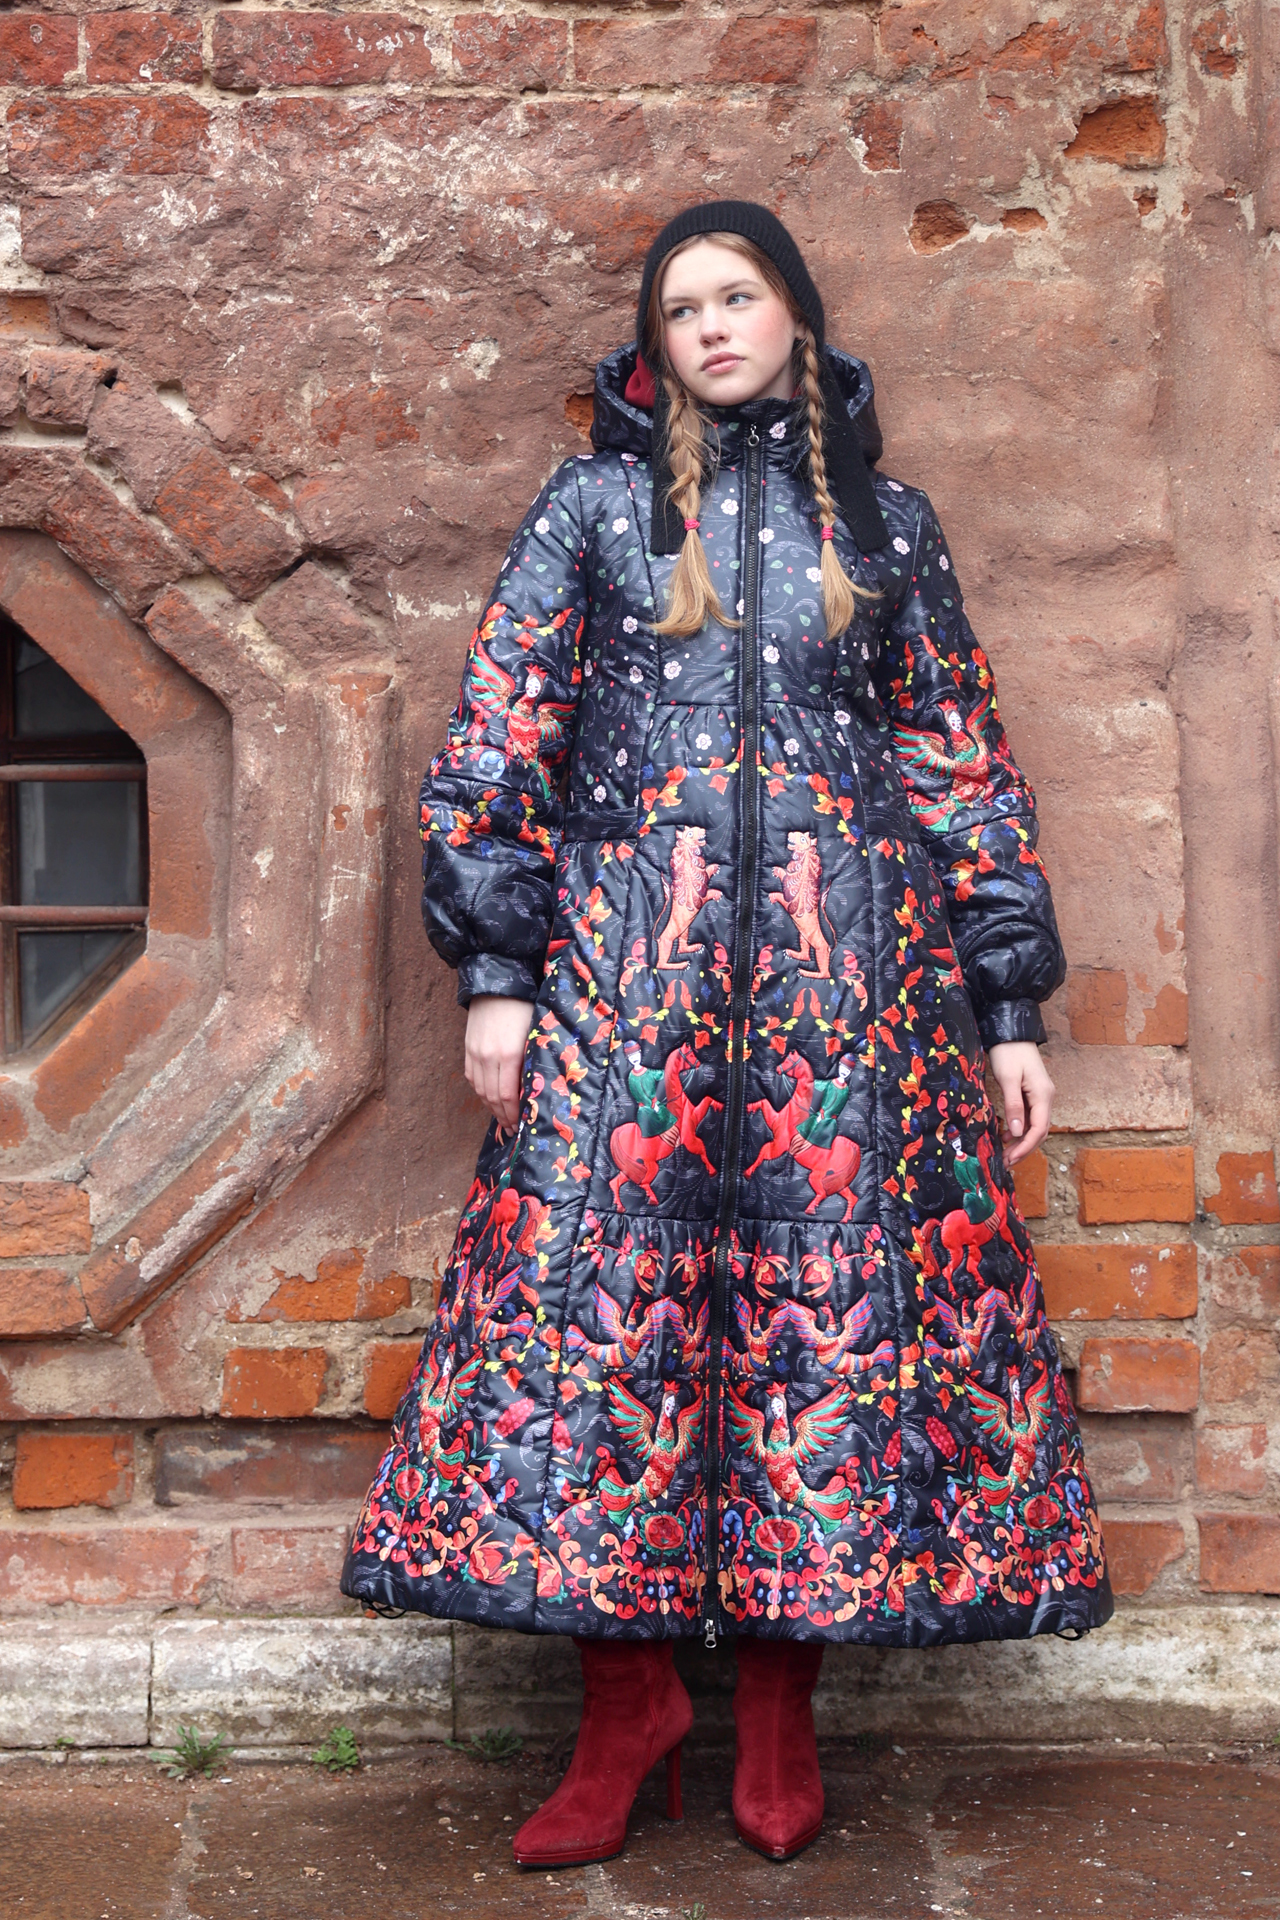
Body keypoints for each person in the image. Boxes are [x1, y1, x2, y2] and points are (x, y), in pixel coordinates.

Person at [341, 200, 1112, 1869]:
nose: (709, 326)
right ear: (656, 342)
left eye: (737, 294)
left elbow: (957, 760)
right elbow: (501, 736)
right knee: (592, 1343)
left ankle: (776, 1714)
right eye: (680, 305)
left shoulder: (888, 525)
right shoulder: (596, 509)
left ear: (793, 315)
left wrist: (1009, 1002)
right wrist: (500, 972)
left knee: (816, 1351)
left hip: (854, 1005)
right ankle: (627, 1711)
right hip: (626, 993)